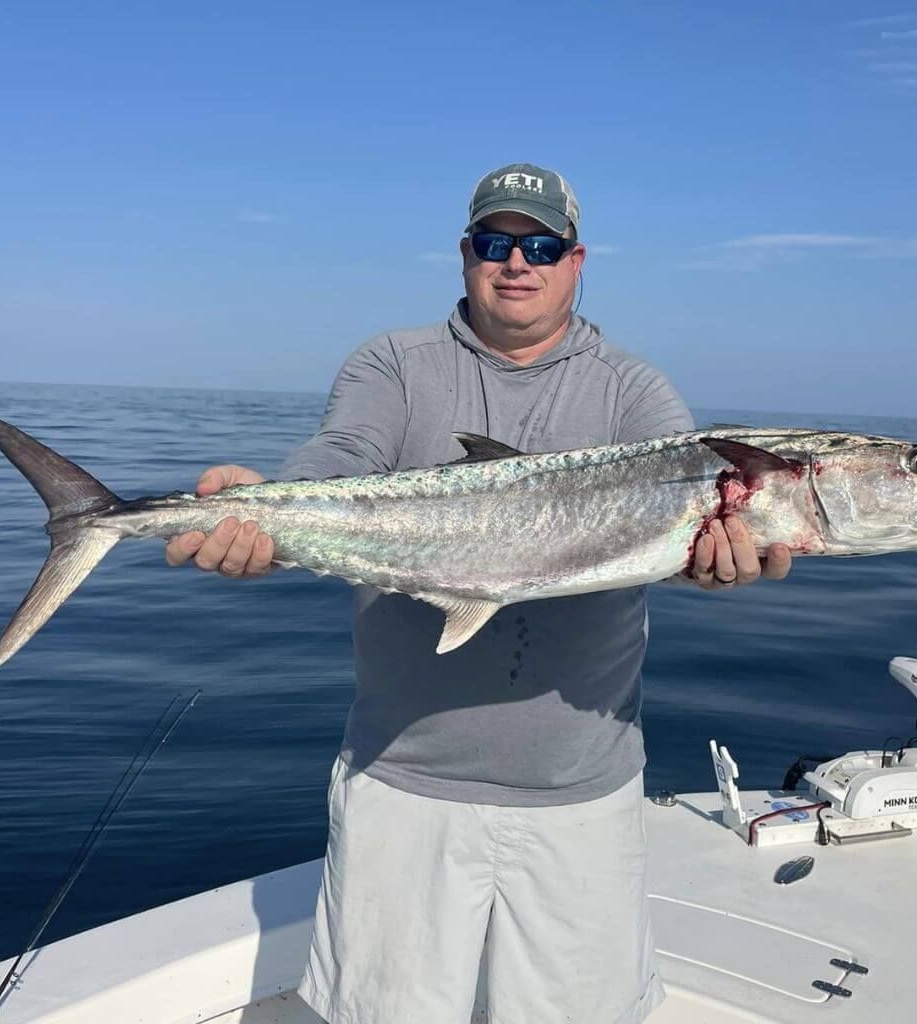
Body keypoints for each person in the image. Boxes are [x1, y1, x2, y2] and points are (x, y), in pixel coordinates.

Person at [166, 163, 792, 1024]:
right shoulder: (396, 362)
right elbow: (343, 453)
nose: (517, 263)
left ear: (577, 260)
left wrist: (716, 561)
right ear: (466, 255)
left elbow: (682, 527)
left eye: (541, 245)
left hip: (580, 791)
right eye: (496, 243)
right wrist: (267, 506)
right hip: (403, 783)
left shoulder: (632, 389)